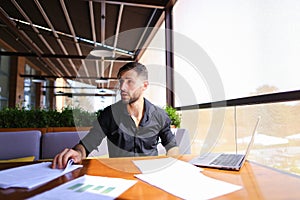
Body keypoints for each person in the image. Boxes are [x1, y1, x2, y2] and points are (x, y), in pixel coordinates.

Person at [52, 62, 179, 169]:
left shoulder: (160, 116)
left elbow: (172, 146)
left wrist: (170, 165)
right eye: (121, 82)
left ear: (144, 85)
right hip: (119, 176)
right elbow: (88, 143)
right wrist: (78, 153)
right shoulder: (109, 115)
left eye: (130, 82)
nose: (122, 87)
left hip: (150, 176)